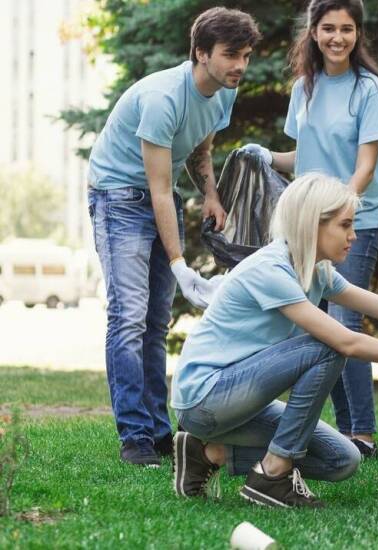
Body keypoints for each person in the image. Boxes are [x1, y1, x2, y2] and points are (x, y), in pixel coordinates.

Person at [171, 173, 378, 508]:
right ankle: (272, 476)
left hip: (240, 400)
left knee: (343, 459)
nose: (353, 235)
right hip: (205, 399)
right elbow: (347, 343)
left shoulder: (316, 271)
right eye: (345, 225)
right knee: (327, 347)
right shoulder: (271, 270)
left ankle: (206, 453)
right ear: (312, 225)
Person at [86, 8, 262, 466]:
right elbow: (160, 191)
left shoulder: (224, 93)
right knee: (128, 316)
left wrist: (212, 195)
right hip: (117, 197)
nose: (240, 65)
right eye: (229, 55)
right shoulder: (164, 96)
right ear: (201, 53)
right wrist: (180, 264)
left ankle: (159, 431)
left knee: (156, 322)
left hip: (152, 195)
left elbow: (201, 146)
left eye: (245, 55)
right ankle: (134, 435)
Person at [243, 0, 378, 460]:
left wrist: (340, 212)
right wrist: (264, 156)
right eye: (329, 28)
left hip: (355, 221)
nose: (338, 38)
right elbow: (303, 156)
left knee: (344, 321)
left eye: (348, 29)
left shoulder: (368, 89)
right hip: (307, 226)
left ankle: (365, 434)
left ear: (358, 35)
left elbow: (366, 165)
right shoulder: (305, 88)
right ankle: (348, 430)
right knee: (319, 328)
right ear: (313, 33)